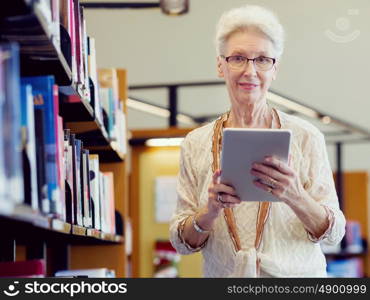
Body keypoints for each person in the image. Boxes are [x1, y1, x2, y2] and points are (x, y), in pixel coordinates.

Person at [169, 5, 346, 277]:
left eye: (262, 59)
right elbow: (181, 242)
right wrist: (209, 211)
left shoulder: (306, 137)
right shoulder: (196, 143)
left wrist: (295, 195)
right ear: (220, 65)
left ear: (275, 69)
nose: (250, 71)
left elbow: (334, 234)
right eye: (238, 58)